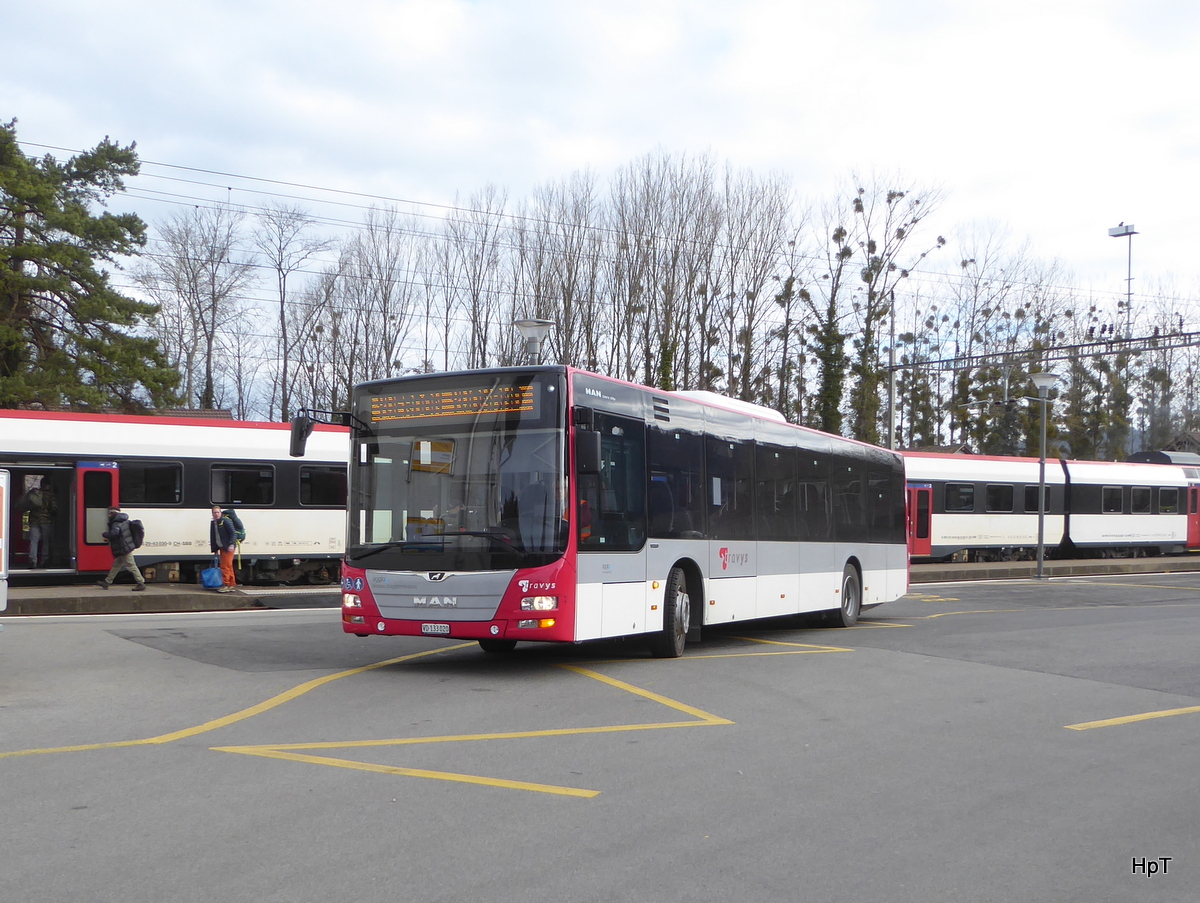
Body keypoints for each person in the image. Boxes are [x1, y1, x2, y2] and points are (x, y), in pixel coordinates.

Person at [96, 506, 146, 591]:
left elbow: (114, 534)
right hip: (124, 547)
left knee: (131, 565)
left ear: (113, 513)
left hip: (124, 548)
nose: (108, 515)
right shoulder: (124, 520)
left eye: (110, 513)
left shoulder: (116, 523)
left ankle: (141, 583)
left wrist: (105, 534)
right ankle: (107, 582)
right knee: (116, 565)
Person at [18, 477, 57, 568]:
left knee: (34, 541)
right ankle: (44, 561)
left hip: (34, 520)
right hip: (46, 521)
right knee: (46, 541)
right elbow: (54, 509)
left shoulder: (35, 494)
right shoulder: (50, 496)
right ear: (48, 485)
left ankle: (33, 561)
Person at [210, 505, 238, 593]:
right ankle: (231, 584)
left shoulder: (225, 521)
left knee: (224, 566)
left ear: (220, 513)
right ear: (212, 513)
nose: (216, 514)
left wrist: (231, 544)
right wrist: (215, 549)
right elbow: (214, 537)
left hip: (228, 547)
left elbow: (233, 533)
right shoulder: (214, 523)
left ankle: (226, 585)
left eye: (218, 512)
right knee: (228, 566)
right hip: (222, 547)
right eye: (214, 512)